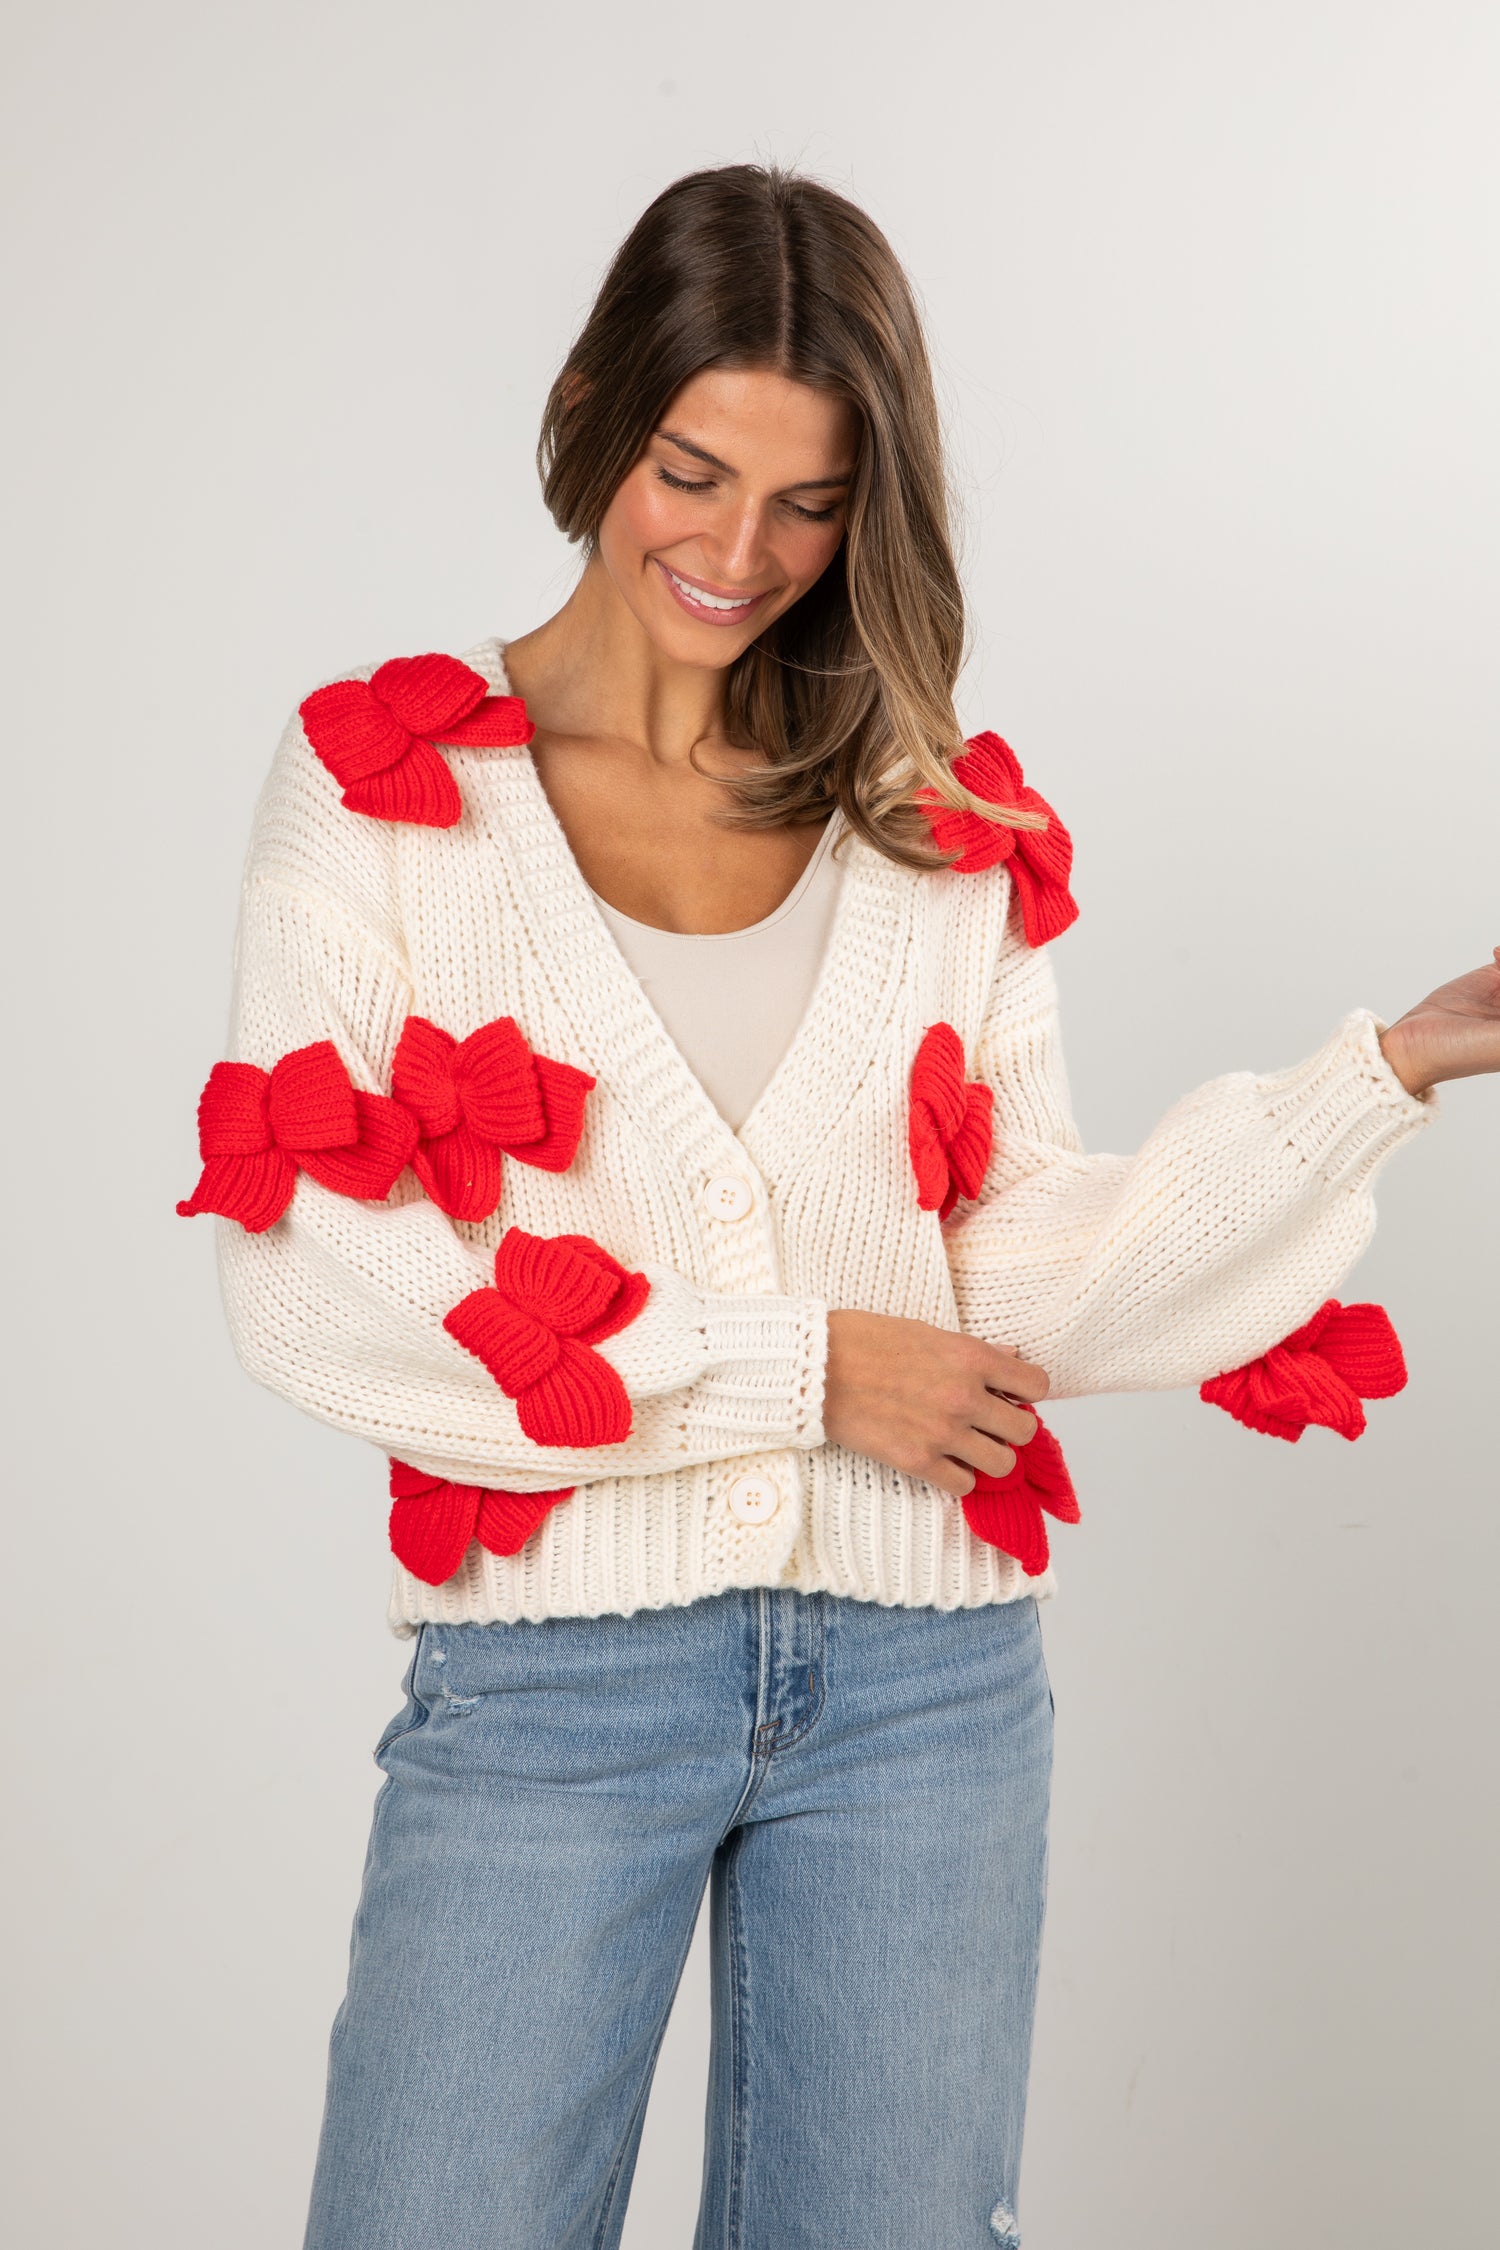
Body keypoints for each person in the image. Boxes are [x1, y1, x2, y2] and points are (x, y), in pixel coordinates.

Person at [178, 164, 1500, 2250]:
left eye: (810, 501)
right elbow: (321, 1283)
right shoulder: (385, 795)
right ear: (594, 410)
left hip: (929, 1689)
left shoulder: (939, 819)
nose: (738, 551)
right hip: (552, 1687)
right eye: (694, 472)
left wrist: (1376, 1080)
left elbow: (1021, 1277)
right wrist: (795, 1374)